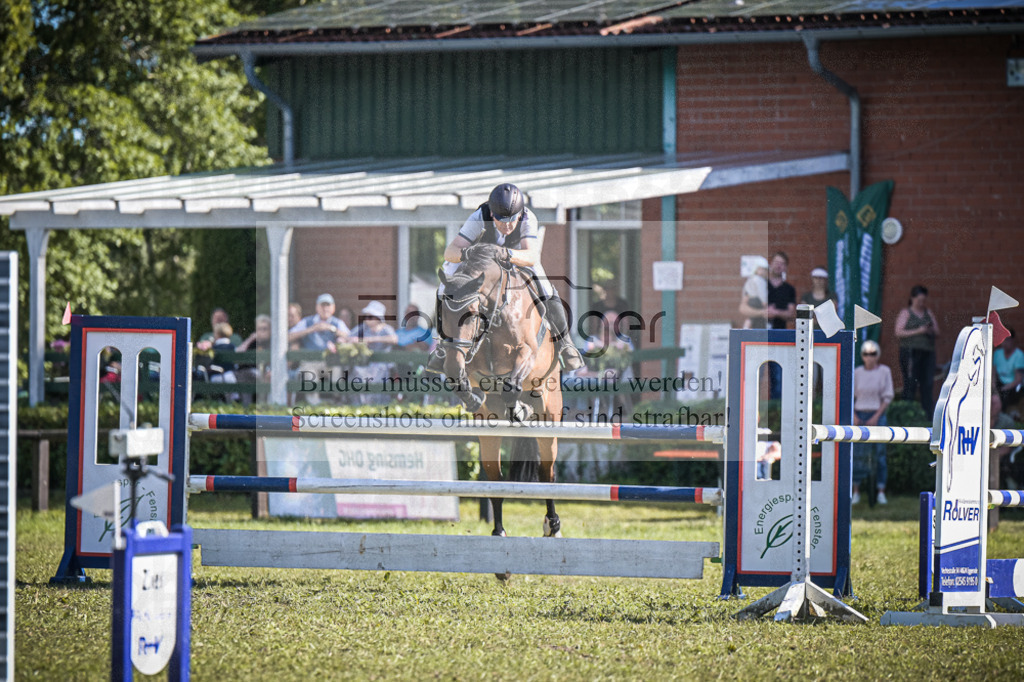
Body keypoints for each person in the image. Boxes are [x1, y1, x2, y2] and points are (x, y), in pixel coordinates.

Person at [424, 183, 584, 374]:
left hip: (516, 258)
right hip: (480, 262)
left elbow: (531, 256)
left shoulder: (527, 217)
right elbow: (450, 252)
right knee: (446, 280)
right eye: (501, 220)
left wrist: (504, 253)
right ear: (492, 215)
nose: (507, 225)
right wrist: (469, 252)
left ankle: (566, 344)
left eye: (512, 220)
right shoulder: (479, 216)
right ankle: (442, 346)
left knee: (546, 287)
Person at [852, 340, 894, 505]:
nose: (870, 357)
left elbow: (888, 396)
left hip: (878, 414)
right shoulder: (856, 372)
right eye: (866, 354)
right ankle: (856, 491)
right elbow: (849, 396)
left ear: (878, 355)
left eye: (873, 354)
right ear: (862, 356)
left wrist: (876, 416)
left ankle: (880, 491)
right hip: (859, 415)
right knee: (858, 455)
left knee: (880, 454)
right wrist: (854, 416)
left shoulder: (884, 371)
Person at [894, 284, 940, 416]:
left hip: (927, 352)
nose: (921, 303)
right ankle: (907, 414)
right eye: (919, 300)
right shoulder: (906, 313)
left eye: (923, 301)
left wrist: (929, 329)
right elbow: (898, 332)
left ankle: (927, 415)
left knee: (927, 384)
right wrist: (918, 330)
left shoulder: (928, 313)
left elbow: (937, 332)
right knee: (910, 383)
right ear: (912, 298)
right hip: (910, 352)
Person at [350, 300, 399, 404]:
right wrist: (356, 341)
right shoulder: (363, 327)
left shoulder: (386, 329)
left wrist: (371, 339)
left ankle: (376, 406)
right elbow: (349, 337)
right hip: (364, 363)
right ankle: (359, 406)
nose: (368, 318)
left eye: (371, 315)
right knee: (356, 374)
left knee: (377, 377)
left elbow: (394, 339)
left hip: (381, 365)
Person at [993, 326, 1024, 411]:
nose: (1005, 342)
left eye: (1007, 339)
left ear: (1013, 340)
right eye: (1003, 340)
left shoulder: (1019, 355)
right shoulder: (997, 354)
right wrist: (994, 388)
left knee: (1005, 397)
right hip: (999, 384)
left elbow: (1018, 379)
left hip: (1012, 386)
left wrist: (1003, 389)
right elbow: (993, 374)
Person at [738, 256, 770, 329]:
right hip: (756, 302)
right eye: (762, 269)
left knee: (753, 319)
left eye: (765, 270)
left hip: (752, 302)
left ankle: (746, 326)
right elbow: (762, 294)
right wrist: (764, 305)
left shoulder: (751, 279)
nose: (764, 272)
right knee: (753, 318)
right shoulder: (759, 280)